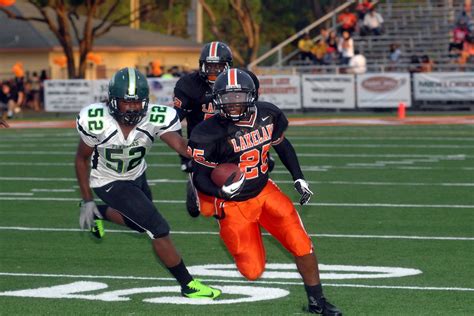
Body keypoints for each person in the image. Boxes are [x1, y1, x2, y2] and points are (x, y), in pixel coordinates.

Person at [187, 68, 342, 315]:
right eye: (226, 98)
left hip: (264, 190)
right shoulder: (208, 131)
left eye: (238, 97)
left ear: (253, 95)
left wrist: (298, 177)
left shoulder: (268, 114)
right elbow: (200, 177)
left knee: (302, 245)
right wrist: (222, 192)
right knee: (252, 271)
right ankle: (208, 202)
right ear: (217, 100)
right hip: (232, 203)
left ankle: (317, 301)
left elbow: (281, 144)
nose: (233, 103)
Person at [74, 67, 221, 300]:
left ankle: (99, 215)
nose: (132, 107)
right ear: (113, 101)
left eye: (137, 102)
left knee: (139, 226)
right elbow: (81, 159)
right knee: (158, 228)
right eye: (126, 102)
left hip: (137, 175)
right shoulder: (95, 120)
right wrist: (87, 199)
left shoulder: (156, 116)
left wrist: (215, 152)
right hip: (107, 180)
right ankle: (188, 284)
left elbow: (182, 146)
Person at [173, 41, 273, 218]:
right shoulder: (189, 85)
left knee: (236, 186)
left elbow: (256, 116)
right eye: (209, 66)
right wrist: (184, 154)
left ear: (228, 66)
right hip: (205, 143)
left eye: (218, 66)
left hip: (236, 139)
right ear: (201, 65)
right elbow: (174, 121)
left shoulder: (244, 80)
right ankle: (197, 186)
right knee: (204, 210)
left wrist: (265, 151)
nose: (213, 71)